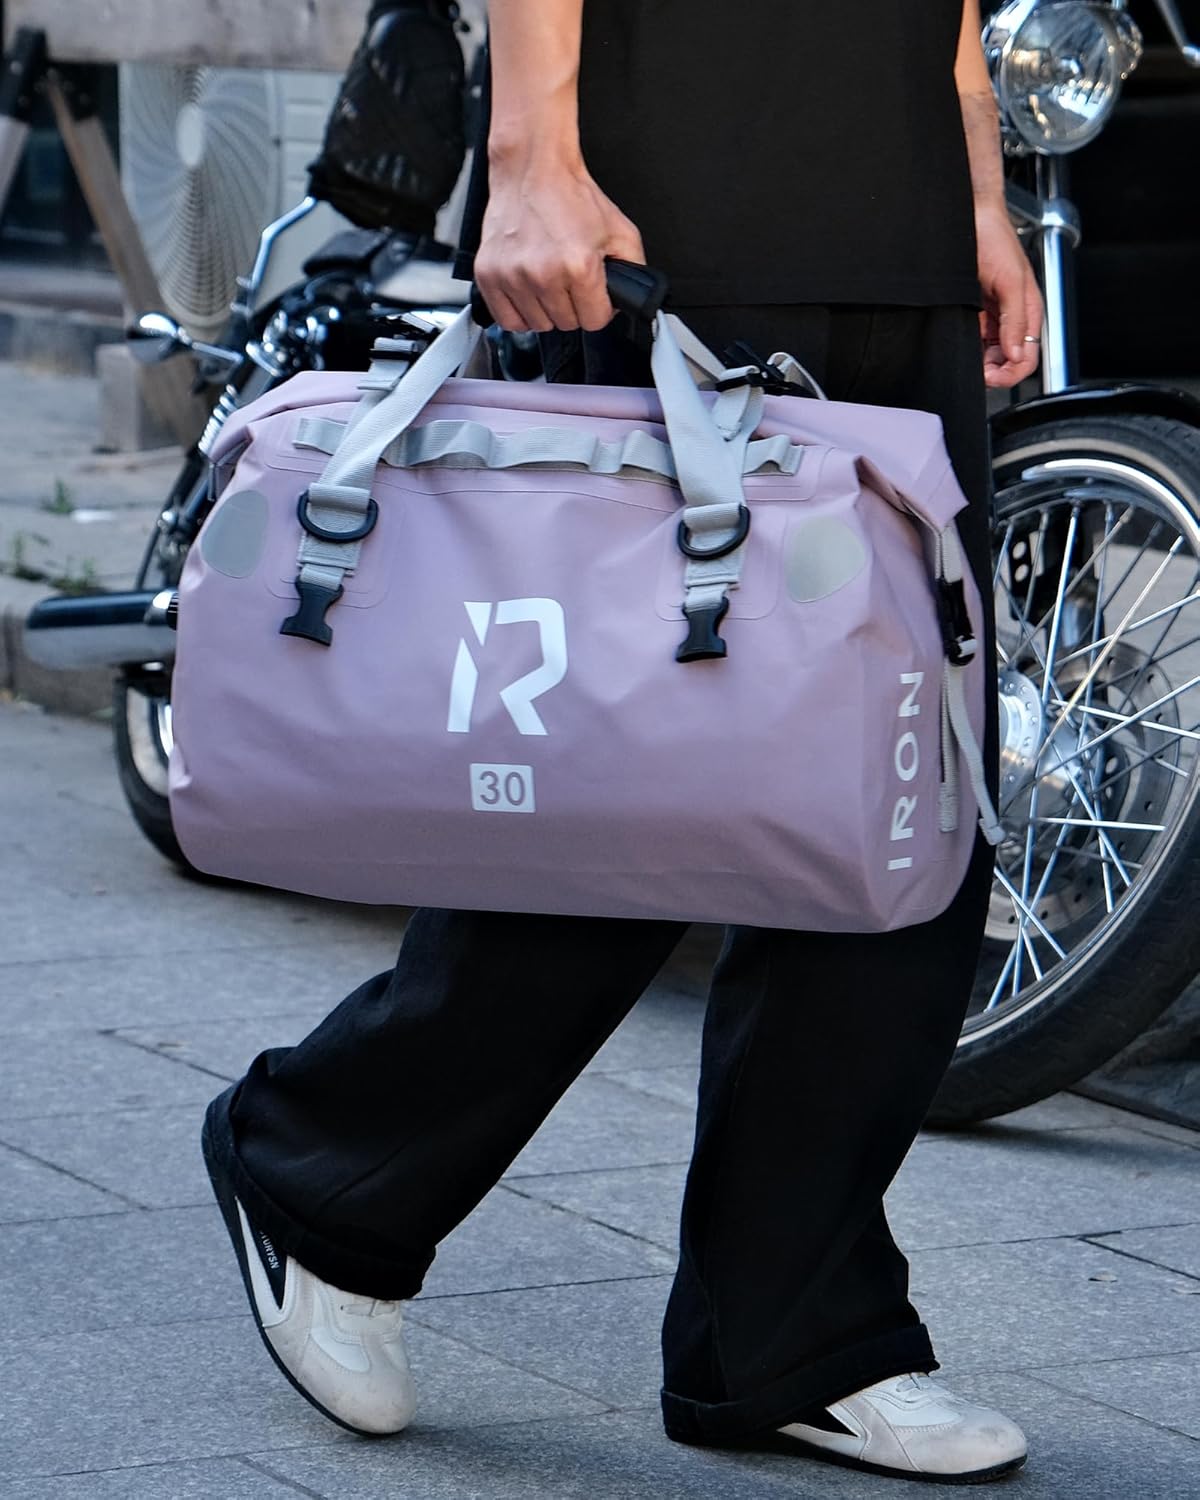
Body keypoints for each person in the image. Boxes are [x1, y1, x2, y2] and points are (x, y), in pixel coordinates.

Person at [202, 0, 1043, 1483]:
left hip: (894, 193)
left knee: (900, 801)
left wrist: (972, 184)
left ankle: (789, 1332)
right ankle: (326, 1170)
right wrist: (530, 155)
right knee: (631, 786)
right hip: (666, 193)